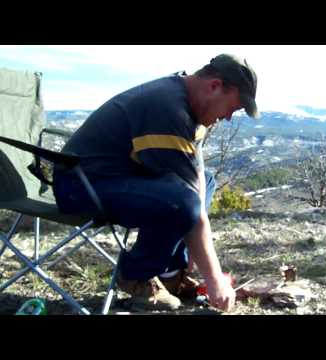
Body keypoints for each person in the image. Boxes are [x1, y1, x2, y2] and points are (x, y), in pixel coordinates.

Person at [52, 54, 259, 312]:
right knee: (180, 203)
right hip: (80, 186)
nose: (229, 117)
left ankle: (170, 273)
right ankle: (136, 275)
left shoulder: (192, 105)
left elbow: (197, 177)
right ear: (215, 86)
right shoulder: (168, 109)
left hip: (116, 178)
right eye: (234, 107)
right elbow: (188, 200)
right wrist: (214, 278)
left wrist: (195, 253)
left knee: (205, 183)